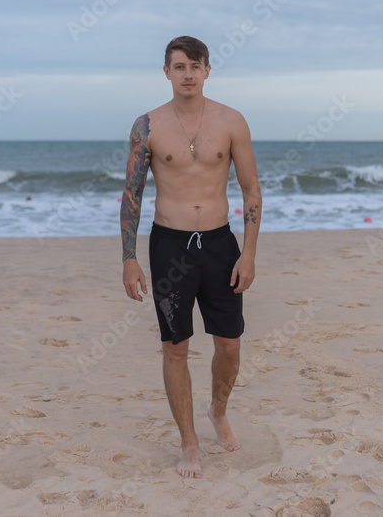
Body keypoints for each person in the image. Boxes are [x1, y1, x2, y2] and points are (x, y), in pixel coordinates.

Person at [120, 35, 262, 479]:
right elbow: (131, 195)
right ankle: (189, 443)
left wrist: (249, 253)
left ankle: (218, 411)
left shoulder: (231, 121)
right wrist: (128, 258)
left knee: (230, 344)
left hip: (220, 246)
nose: (187, 74)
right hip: (170, 247)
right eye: (179, 66)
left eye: (195, 66)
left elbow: (251, 189)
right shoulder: (147, 125)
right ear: (167, 72)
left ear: (207, 71)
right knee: (175, 348)